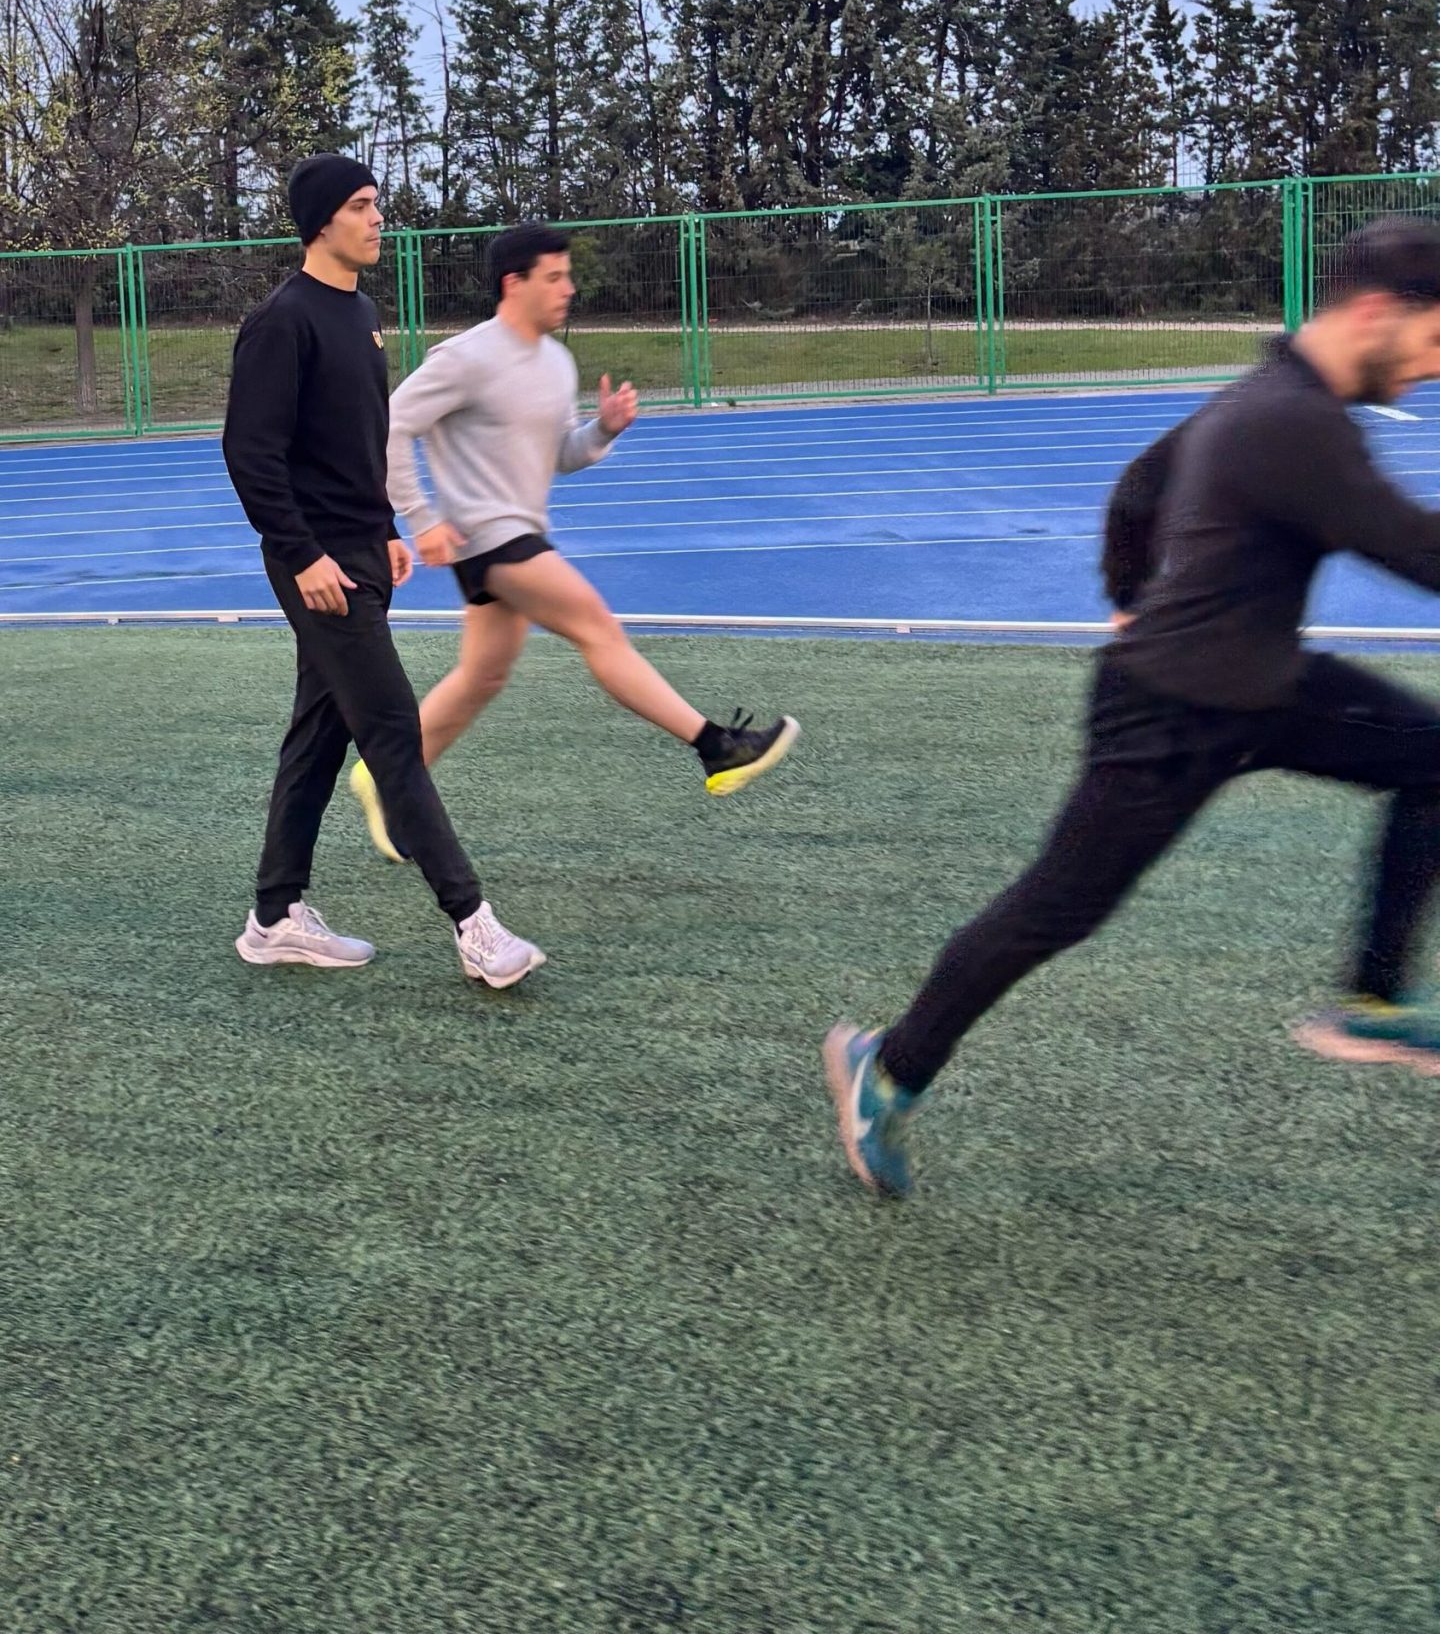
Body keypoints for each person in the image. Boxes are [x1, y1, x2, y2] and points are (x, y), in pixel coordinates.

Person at [826, 214, 1440, 1200]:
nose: (1432, 367)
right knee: (1055, 910)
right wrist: (1137, 613)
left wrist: (1128, 591)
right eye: (1435, 340)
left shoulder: (1265, 398)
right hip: (1167, 715)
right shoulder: (1293, 420)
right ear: (1377, 310)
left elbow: (1140, 487)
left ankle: (1373, 995)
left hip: (1266, 686)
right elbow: (1422, 552)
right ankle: (886, 1070)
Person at [346, 220, 799, 861]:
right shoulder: (465, 357)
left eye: (568, 275)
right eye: (555, 277)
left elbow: (561, 453)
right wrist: (420, 517)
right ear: (515, 283)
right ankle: (715, 747)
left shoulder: (557, 362)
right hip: (489, 540)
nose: (569, 289)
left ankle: (387, 777)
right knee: (597, 628)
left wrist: (604, 429)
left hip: (519, 534)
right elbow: (390, 426)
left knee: (482, 674)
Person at [222, 154, 544, 988]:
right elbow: (251, 455)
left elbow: (354, 441)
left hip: (359, 550)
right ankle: (475, 927)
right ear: (323, 220)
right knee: (394, 731)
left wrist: (384, 527)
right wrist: (305, 556)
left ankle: (273, 917)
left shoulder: (359, 310)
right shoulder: (281, 320)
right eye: (363, 207)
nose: (377, 220)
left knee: (319, 735)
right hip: (316, 565)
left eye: (377, 205)